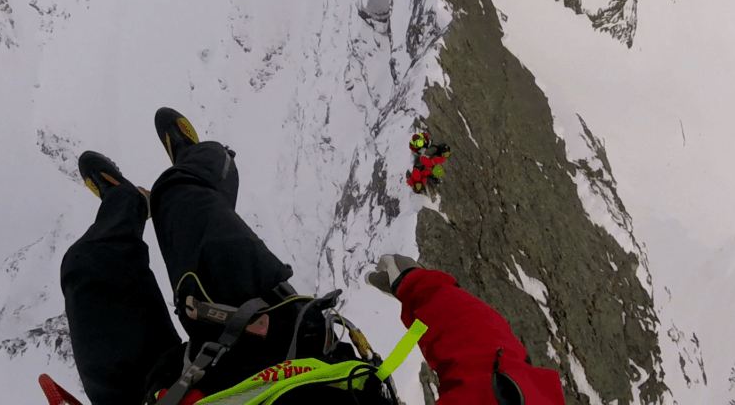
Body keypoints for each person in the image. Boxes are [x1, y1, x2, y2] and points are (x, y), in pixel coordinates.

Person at [48, 108, 565, 404]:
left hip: (165, 395)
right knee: (182, 196)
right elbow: (488, 363)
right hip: (280, 352)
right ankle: (201, 160)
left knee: (90, 271)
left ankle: (123, 202)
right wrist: (418, 287)